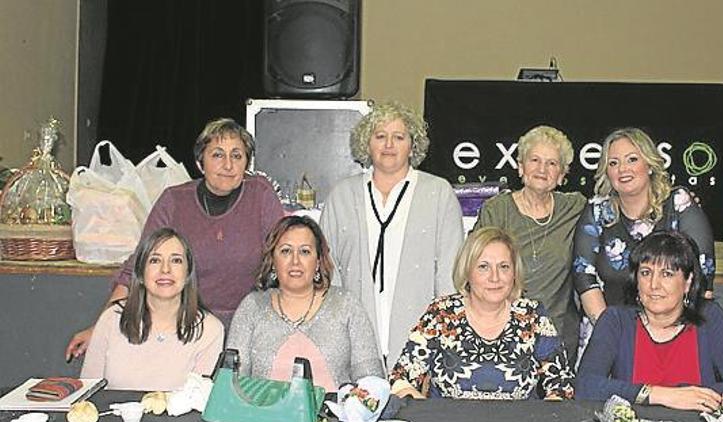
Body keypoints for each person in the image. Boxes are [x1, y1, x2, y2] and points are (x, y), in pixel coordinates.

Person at [66, 118, 285, 360]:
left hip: (250, 325)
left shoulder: (261, 194)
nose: (228, 165)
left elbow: (286, 258)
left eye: (237, 156)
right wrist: (100, 327)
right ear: (200, 162)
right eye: (217, 155)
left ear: (247, 163)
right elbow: (137, 267)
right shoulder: (174, 201)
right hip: (186, 326)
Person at [320, 101, 464, 364]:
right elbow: (328, 269)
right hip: (353, 337)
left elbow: (450, 273)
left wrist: (445, 336)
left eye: (399, 137)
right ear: (367, 143)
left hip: (422, 338)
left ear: (412, 145)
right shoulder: (342, 194)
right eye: (380, 136)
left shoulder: (438, 193)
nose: (389, 145)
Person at [575, 231, 723, 411]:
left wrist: (691, 398)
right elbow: (585, 386)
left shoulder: (709, 317)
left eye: (667, 274)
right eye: (646, 273)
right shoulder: (616, 320)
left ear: (688, 282)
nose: (654, 285)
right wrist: (662, 396)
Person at [390, 226, 574, 400]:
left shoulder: (532, 315)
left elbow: (562, 383)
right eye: (483, 267)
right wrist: (426, 416)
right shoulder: (441, 314)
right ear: (467, 272)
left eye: (504, 267)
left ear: (515, 273)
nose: (495, 277)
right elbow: (401, 378)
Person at [572, 127, 715, 351]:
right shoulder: (597, 211)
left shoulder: (679, 204)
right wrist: (615, 337)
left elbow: (702, 276)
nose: (623, 169)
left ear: (649, 165)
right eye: (613, 163)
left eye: (632, 159)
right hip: (609, 336)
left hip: (675, 334)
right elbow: (584, 278)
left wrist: (664, 338)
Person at [226, 216, 384, 390]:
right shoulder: (252, 307)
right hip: (262, 415)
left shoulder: (346, 305)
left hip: (332, 416)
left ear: (317, 262)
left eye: (305, 252)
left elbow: (372, 383)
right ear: (272, 261)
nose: (295, 261)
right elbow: (232, 385)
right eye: (286, 251)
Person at [473, 125, 586, 358]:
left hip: (558, 337)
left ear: (563, 174)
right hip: (502, 334)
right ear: (521, 166)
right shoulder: (497, 211)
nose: (542, 169)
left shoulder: (575, 208)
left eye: (552, 163)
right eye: (534, 160)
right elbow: (474, 270)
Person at [80, 228, 223, 391]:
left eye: (176, 261)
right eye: (155, 260)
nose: (165, 270)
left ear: (188, 273)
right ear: (140, 272)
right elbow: (87, 393)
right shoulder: (111, 319)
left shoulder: (210, 330)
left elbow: (198, 403)